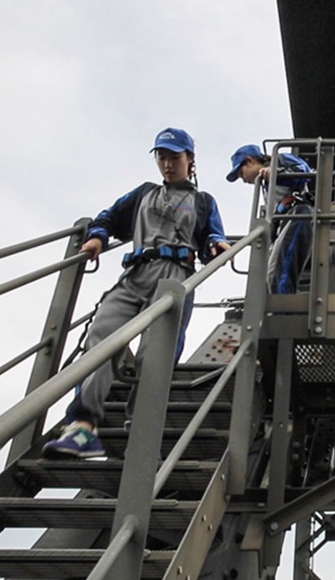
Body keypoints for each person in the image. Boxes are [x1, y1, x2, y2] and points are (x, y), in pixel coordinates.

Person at [42, 127, 230, 458]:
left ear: (190, 159)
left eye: (174, 157)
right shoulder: (144, 194)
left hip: (175, 279)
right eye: (162, 157)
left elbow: (212, 237)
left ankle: (142, 429)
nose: (168, 164)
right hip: (135, 274)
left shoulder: (202, 201)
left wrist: (217, 246)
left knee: (154, 355)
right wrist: (98, 236)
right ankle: (83, 428)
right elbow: (109, 218)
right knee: (101, 335)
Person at [226, 145, 314, 294]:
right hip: (284, 220)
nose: (243, 179)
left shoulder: (279, 160)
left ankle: (281, 311)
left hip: (298, 214)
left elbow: (304, 172)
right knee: (270, 273)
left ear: (250, 161)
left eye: (241, 173)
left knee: (279, 272)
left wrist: (277, 173)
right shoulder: (265, 184)